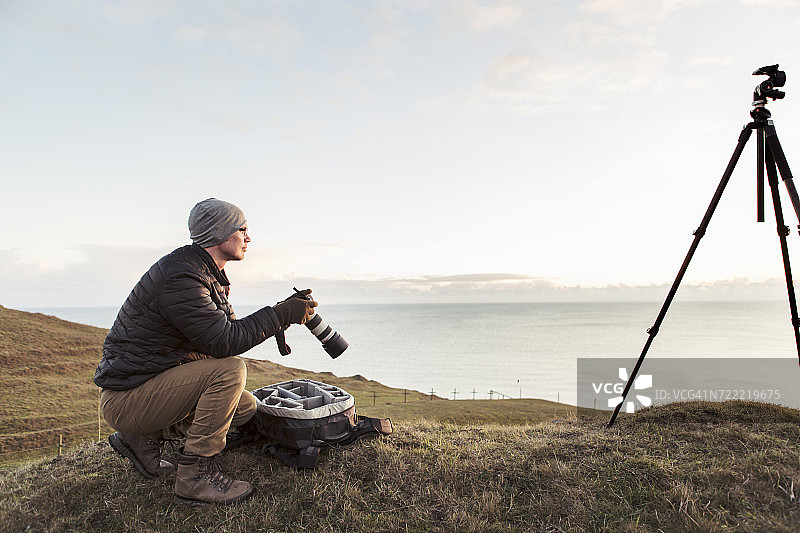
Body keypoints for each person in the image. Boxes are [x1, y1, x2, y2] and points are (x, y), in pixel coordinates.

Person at [93, 198, 317, 506]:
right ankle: (195, 476)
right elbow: (224, 343)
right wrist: (277, 315)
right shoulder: (182, 278)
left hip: (147, 387)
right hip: (126, 399)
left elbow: (224, 335)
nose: (249, 238)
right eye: (243, 230)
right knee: (231, 371)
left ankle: (144, 437)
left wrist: (280, 315)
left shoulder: (204, 273)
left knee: (244, 407)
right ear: (221, 233)